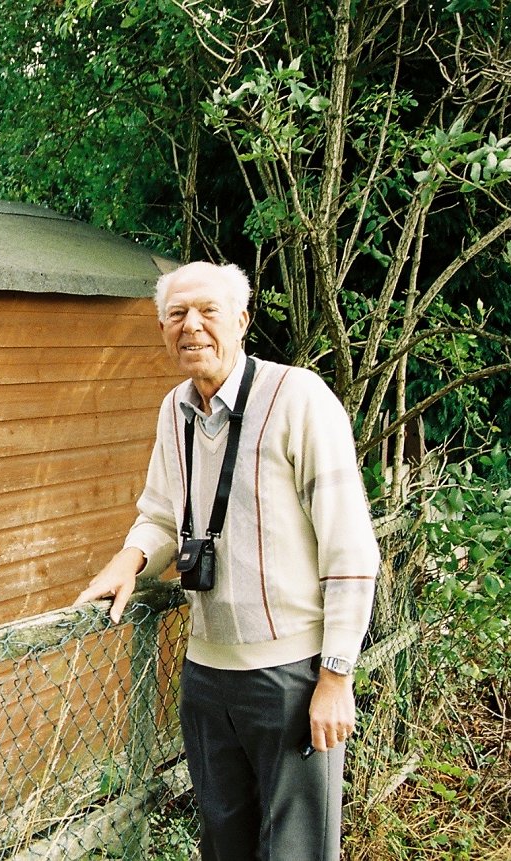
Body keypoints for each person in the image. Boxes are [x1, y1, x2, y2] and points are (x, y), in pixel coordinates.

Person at [74, 261, 378, 860]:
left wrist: (336, 676)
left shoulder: (299, 398)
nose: (192, 327)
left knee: (298, 850)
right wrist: (130, 561)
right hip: (207, 673)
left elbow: (350, 548)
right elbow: (162, 513)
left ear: (241, 320)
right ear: (162, 327)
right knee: (223, 844)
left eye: (207, 311)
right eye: (176, 315)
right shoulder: (175, 409)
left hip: (292, 672)